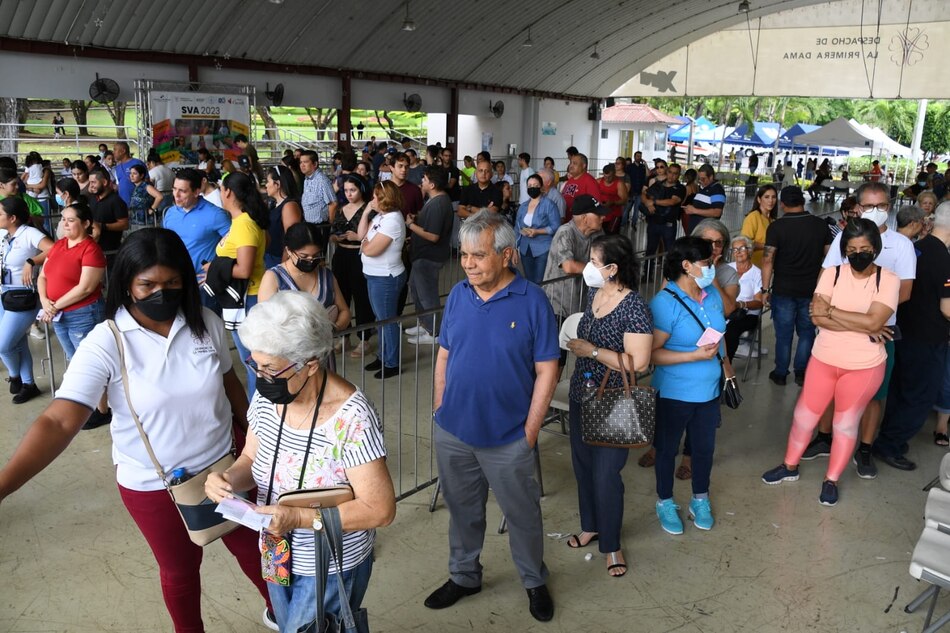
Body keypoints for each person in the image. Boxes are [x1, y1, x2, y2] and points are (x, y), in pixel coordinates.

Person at [0, 228, 277, 632]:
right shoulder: (106, 342)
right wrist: (4, 486)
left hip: (227, 469)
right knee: (181, 570)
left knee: (258, 550)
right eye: (147, 284)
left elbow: (227, 381)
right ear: (127, 284)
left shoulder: (206, 323)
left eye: (171, 283)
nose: (160, 293)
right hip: (155, 485)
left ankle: (288, 612)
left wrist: (256, 438)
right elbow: (58, 421)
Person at [205, 291, 396, 632]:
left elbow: (380, 509)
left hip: (330, 562)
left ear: (310, 363)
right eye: (255, 364)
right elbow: (251, 457)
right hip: (276, 550)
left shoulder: (351, 417)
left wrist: (299, 518)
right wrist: (228, 478)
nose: (261, 376)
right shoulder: (269, 398)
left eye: (271, 368)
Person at [424, 209, 558, 622]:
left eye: (478, 256)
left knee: (522, 515)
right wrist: (439, 407)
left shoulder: (533, 301)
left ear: (507, 255)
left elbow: (547, 369)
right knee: (463, 512)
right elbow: (445, 353)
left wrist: (530, 433)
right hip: (455, 432)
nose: (468, 264)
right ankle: (465, 576)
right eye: (464, 255)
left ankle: (534, 580)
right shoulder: (461, 295)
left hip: (509, 438)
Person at [762, 219, 899, 506]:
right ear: (844, 249)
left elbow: (875, 320)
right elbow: (816, 317)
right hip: (824, 358)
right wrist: (864, 325)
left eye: (864, 248)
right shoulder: (832, 274)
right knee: (803, 417)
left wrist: (834, 311)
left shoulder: (887, 279)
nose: (858, 254)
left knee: (845, 424)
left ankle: (831, 480)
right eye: (851, 249)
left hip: (864, 366)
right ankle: (789, 466)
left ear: (875, 248)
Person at [563, 234, 652, 577]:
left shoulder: (634, 307)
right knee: (583, 467)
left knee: (606, 475)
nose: (589, 267)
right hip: (581, 394)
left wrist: (593, 352)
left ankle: (611, 544)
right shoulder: (594, 293)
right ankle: (591, 525)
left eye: (594, 262)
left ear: (613, 268)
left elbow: (639, 362)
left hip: (614, 400)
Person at [649, 236, 730, 534]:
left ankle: (700, 498)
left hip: (709, 391)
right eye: (707, 263)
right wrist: (694, 355)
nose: (711, 267)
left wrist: (727, 369)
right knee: (667, 450)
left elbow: (721, 335)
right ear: (686, 265)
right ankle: (665, 501)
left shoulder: (711, 295)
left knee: (704, 449)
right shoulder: (664, 303)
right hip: (675, 393)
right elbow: (651, 355)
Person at [872, 201, 950, 470]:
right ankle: (890, 445)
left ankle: (888, 437)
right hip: (929, 337)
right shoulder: (945, 259)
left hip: (904, 330)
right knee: (920, 395)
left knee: (900, 389)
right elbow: (947, 308)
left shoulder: (917, 248)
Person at [761, 186, 833, 386]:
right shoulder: (820, 225)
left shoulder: (776, 227)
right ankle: (801, 372)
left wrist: (765, 290)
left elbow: (768, 260)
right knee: (807, 332)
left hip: (783, 289)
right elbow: (830, 258)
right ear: (803, 201)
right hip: (812, 290)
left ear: (782, 204)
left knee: (783, 335)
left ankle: (781, 373)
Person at [258, 222, 350, 371]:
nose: (310, 260)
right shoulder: (273, 277)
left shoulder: (326, 275)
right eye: (304, 256)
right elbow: (263, 322)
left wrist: (330, 330)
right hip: (288, 360)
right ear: (289, 250)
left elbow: (344, 311)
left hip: (322, 356)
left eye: (315, 256)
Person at [214, 172, 269, 396]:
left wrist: (215, 269)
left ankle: (257, 414)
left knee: (254, 362)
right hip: (242, 298)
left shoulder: (244, 224)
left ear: (228, 192)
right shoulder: (241, 221)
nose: (219, 193)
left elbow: (245, 269)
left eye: (220, 189)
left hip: (249, 299)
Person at [37, 202, 106, 361]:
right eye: (63, 219)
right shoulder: (59, 244)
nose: (64, 224)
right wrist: (44, 300)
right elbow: (42, 276)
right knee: (73, 359)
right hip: (58, 313)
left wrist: (53, 307)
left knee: (88, 362)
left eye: (71, 220)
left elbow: (85, 288)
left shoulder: (91, 249)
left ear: (86, 223)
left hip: (82, 313)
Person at [0, 197, 53, 403]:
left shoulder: (29, 233)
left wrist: (32, 261)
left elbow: (54, 249)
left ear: (13, 218)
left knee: (4, 345)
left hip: (22, 295)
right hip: (4, 292)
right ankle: (28, 384)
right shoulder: (5, 234)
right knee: (18, 342)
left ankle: (14, 375)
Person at [357, 180, 406, 379]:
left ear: (385, 199)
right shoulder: (381, 216)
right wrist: (366, 211)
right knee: (381, 319)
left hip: (386, 277)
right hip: (374, 275)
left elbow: (370, 249)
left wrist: (365, 243)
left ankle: (392, 362)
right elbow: (361, 236)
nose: (372, 199)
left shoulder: (393, 220)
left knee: (387, 320)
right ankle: (383, 356)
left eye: (376, 196)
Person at [405, 165, 454, 345]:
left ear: (432, 184)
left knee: (427, 295)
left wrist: (411, 225)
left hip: (429, 257)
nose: (422, 182)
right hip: (422, 255)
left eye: (424, 179)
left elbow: (433, 236)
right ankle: (425, 323)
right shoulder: (434, 201)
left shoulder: (439, 203)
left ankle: (434, 332)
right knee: (416, 289)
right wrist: (418, 218)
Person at [163, 169, 231, 295]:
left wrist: (216, 270)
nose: (176, 195)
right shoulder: (170, 213)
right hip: (174, 280)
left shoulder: (215, 214)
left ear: (197, 192)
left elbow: (236, 245)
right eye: (174, 189)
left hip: (202, 284)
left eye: (182, 191)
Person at [542, 195, 607, 323]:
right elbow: (569, 266)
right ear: (584, 218)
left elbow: (606, 258)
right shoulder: (565, 232)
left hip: (581, 300)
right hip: (557, 304)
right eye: (598, 215)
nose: (603, 217)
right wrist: (600, 270)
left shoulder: (598, 233)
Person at [331, 174, 375, 359]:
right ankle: (345, 336)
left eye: (353, 190)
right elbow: (332, 233)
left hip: (359, 255)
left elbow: (374, 235)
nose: (349, 194)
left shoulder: (369, 209)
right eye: (346, 190)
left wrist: (357, 238)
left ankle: (364, 339)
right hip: (341, 255)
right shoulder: (341, 209)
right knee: (342, 297)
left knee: (361, 297)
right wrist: (337, 237)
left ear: (361, 189)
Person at [515, 173, 560, 284]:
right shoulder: (523, 206)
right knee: (529, 281)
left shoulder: (549, 205)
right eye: (529, 186)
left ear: (541, 187)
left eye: (535, 185)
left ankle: (540, 300)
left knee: (540, 281)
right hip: (525, 248)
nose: (532, 188)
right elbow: (517, 227)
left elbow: (556, 226)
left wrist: (538, 231)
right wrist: (515, 248)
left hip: (543, 248)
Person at [641, 162, 685, 279]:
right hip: (654, 222)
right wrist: (647, 203)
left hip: (668, 224)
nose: (672, 176)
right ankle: (647, 274)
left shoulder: (680, 188)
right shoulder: (658, 184)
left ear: (678, 175)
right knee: (650, 250)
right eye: (670, 172)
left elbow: (672, 201)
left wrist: (654, 202)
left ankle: (670, 276)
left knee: (669, 252)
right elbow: (644, 194)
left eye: (675, 174)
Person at [724, 235, 764, 361]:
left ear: (750, 250)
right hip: (725, 310)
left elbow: (759, 302)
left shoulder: (757, 273)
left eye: (741, 248)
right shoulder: (726, 268)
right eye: (735, 249)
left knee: (730, 331)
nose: (738, 252)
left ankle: (726, 367)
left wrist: (740, 304)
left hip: (746, 314)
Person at [263, 165, 303, 269]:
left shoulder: (289, 206)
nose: (266, 185)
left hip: (279, 259)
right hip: (269, 256)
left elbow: (291, 240)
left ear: (277, 184)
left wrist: (283, 267)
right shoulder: (274, 204)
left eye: (268, 181)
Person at [681, 164, 725, 234]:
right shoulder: (704, 188)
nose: (701, 181)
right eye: (699, 178)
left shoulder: (717, 190)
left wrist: (694, 210)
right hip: (696, 230)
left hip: (705, 231)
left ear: (711, 177)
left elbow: (717, 212)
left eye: (703, 179)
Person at [741, 184, 778, 267]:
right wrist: (768, 246)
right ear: (759, 199)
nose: (771, 201)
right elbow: (745, 243)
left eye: (773, 197)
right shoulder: (753, 217)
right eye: (767, 197)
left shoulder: (772, 220)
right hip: (754, 267)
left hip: (768, 267)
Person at [561, 153, 601, 221]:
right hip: (567, 221)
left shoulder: (589, 181)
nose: (571, 165)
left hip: (580, 224)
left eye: (575, 163)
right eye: (571, 163)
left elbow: (595, 204)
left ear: (583, 166)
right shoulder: (571, 180)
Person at [127, 164, 163, 230]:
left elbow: (159, 196)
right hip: (135, 220)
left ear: (141, 175)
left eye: (134, 173)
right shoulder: (136, 187)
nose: (131, 176)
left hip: (145, 221)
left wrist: (152, 209)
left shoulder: (146, 186)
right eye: (130, 173)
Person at [597, 163, 628, 234]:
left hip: (614, 216)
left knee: (612, 238)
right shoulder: (598, 182)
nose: (607, 179)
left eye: (609, 177)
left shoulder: (619, 183)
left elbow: (624, 200)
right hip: (601, 215)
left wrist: (613, 202)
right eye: (605, 176)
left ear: (614, 174)